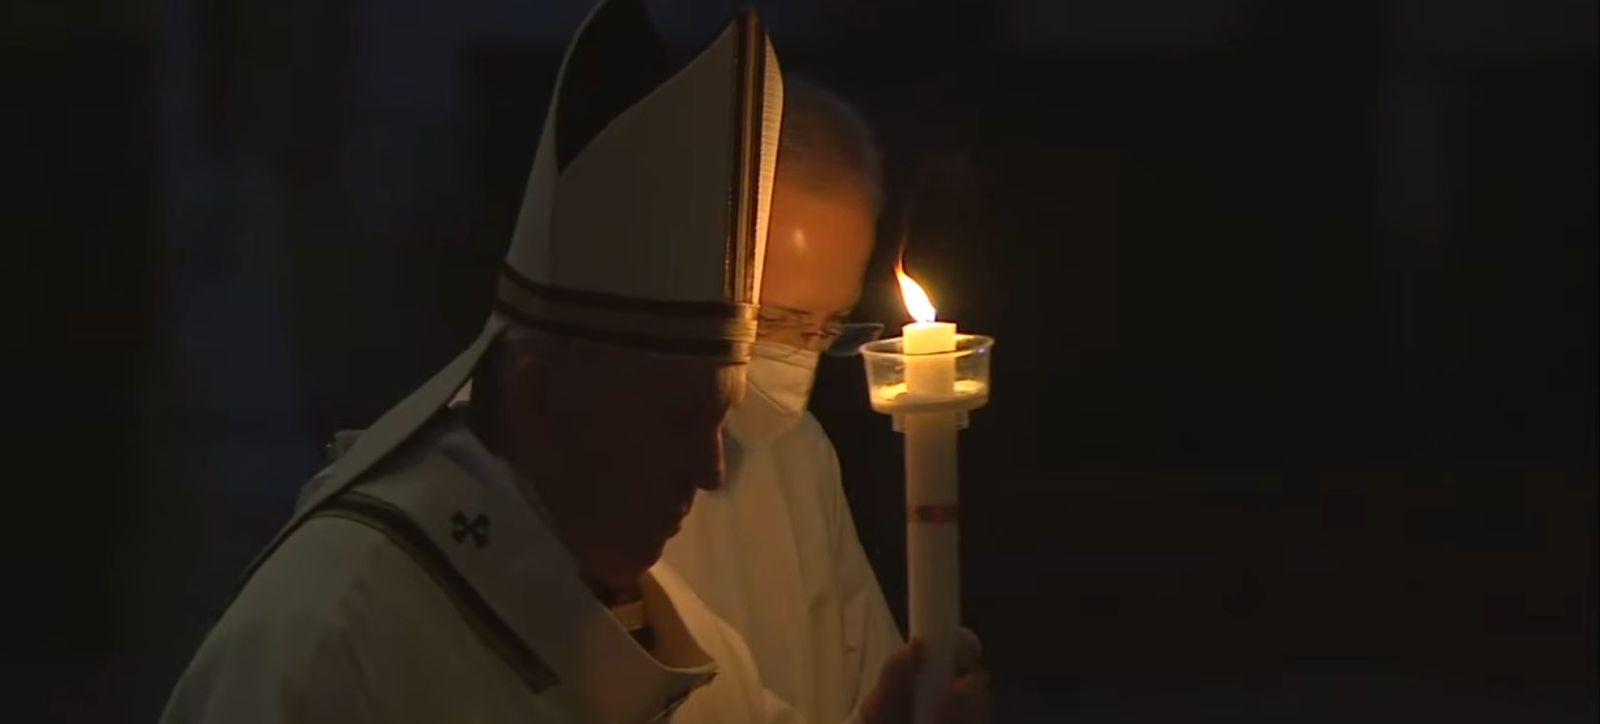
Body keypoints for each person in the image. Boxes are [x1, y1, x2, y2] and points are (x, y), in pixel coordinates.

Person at [159, 2, 792, 721]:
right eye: (676, 417)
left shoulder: (677, 626)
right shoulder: (330, 640)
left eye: (719, 418)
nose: (711, 471)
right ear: (539, 393)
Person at [662, 79, 991, 724]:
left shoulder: (800, 454)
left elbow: (862, 681)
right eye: (780, 324)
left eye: (827, 328)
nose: (799, 363)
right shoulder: (569, 455)